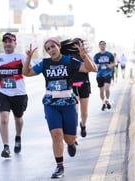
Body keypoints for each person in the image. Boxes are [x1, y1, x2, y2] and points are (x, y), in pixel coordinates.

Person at [23, 37, 96, 179]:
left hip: (68, 104)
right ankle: (60, 166)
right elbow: (27, 73)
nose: (51, 50)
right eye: (48, 49)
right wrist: (28, 58)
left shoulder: (69, 61)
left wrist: (84, 56)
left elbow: (90, 69)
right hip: (51, 104)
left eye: (53, 47)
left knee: (69, 138)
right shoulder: (45, 63)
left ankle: (70, 143)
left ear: (59, 47)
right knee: (56, 134)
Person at [60, 38, 95, 138]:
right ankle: (73, 135)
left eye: (81, 44)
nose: (80, 46)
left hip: (84, 84)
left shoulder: (85, 55)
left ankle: (83, 125)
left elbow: (93, 68)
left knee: (84, 112)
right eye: (77, 44)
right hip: (72, 85)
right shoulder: (67, 56)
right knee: (74, 111)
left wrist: (84, 59)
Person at [93, 40, 115, 111]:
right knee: (101, 91)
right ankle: (103, 103)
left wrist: (110, 65)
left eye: (103, 44)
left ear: (105, 45)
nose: (102, 46)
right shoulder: (96, 56)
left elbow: (114, 63)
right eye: (101, 45)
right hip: (99, 75)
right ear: (99, 46)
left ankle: (107, 100)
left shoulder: (109, 54)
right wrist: (97, 66)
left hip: (107, 74)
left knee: (107, 89)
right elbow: (94, 66)